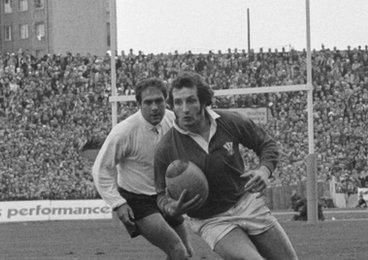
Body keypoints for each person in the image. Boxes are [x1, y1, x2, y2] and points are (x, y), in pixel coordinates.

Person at [154, 71, 298, 260]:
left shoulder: (230, 122)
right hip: (211, 219)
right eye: (178, 103)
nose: (185, 108)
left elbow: (266, 144)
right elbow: (160, 195)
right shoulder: (166, 147)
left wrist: (264, 170)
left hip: (247, 203)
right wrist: (170, 207)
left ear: (204, 101)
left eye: (191, 101)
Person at [92, 78, 193, 260]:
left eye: (159, 101)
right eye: (148, 102)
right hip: (138, 200)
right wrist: (118, 203)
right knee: (178, 252)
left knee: (187, 253)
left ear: (166, 100)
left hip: (166, 196)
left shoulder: (173, 121)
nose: (154, 107)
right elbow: (101, 169)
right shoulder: (124, 132)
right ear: (139, 104)